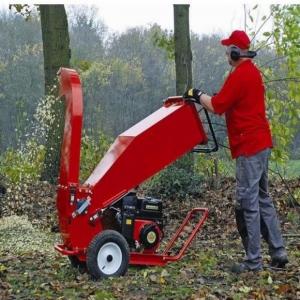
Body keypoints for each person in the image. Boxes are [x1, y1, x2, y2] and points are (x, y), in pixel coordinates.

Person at [184, 30, 288, 273]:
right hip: (261, 144)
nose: (225, 53)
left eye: (228, 48)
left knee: (248, 202)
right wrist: (206, 97)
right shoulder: (251, 73)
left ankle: (253, 262)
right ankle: (279, 251)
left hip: (248, 147)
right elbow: (227, 100)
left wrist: (197, 95)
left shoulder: (241, 74)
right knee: (263, 198)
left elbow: (218, 106)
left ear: (236, 51)